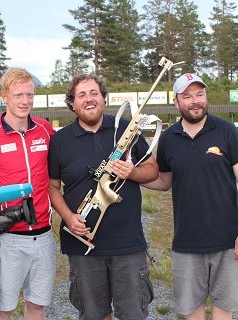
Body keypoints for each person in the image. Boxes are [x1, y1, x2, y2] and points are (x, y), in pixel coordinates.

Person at [48, 74, 159, 320]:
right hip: (83, 244)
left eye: (94, 93)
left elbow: (152, 169)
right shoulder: (60, 140)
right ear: (72, 104)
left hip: (127, 243)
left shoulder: (125, 129)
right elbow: (52, 187)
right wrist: (68, 217)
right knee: (93, 314)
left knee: (133, 314)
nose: (89, 99)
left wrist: (132, 172)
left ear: (103, 98)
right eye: (82, 95)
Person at [146, 73, 238, 319]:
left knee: (223, 308)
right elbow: (165, 181)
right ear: (176, 102)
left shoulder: (226, 130)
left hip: (228, 241)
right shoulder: (168, 138)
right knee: (191, 310)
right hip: (186, 242)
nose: (195, 101)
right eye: (187, 96)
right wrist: (131, 175)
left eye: (199, 94)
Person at [0, 67, 56, 320]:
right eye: (18, 95)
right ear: (4, 97)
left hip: (43, 234)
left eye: (29, 95)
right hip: (7, 235)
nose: (25, 101)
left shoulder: (44, 129)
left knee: (37, 306)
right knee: (3, 308)